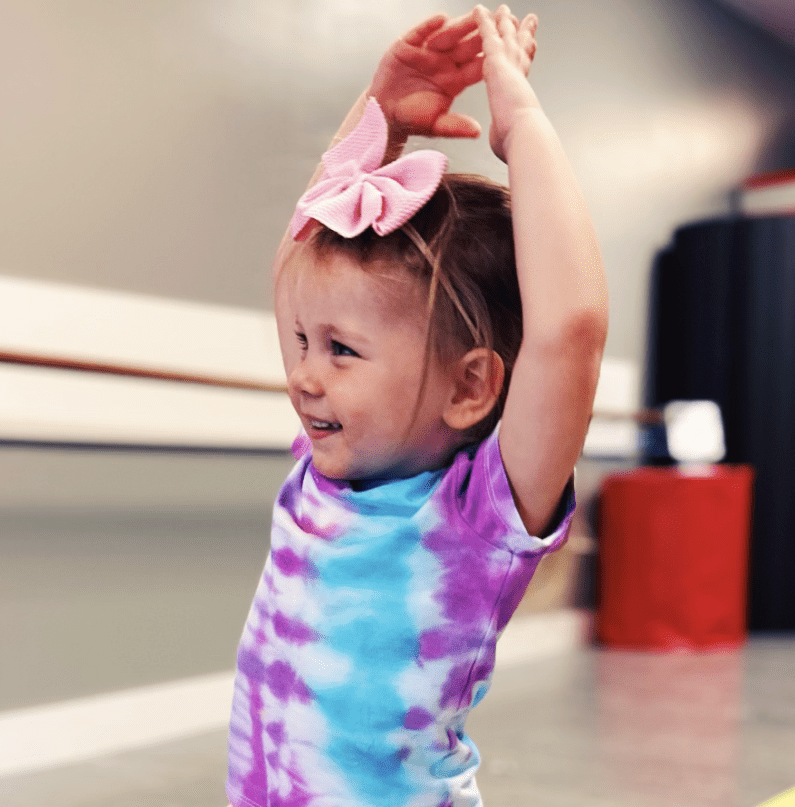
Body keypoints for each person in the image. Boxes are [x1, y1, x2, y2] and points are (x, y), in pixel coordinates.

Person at [227, 5, 607, 806]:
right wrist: (381, 117)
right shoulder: (329, 468)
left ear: (470, 386)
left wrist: (524, 128)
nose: (302, 374)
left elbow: (568, 332)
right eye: (301, 341)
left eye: (341, 350)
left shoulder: (474, 516)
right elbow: (303, 263)